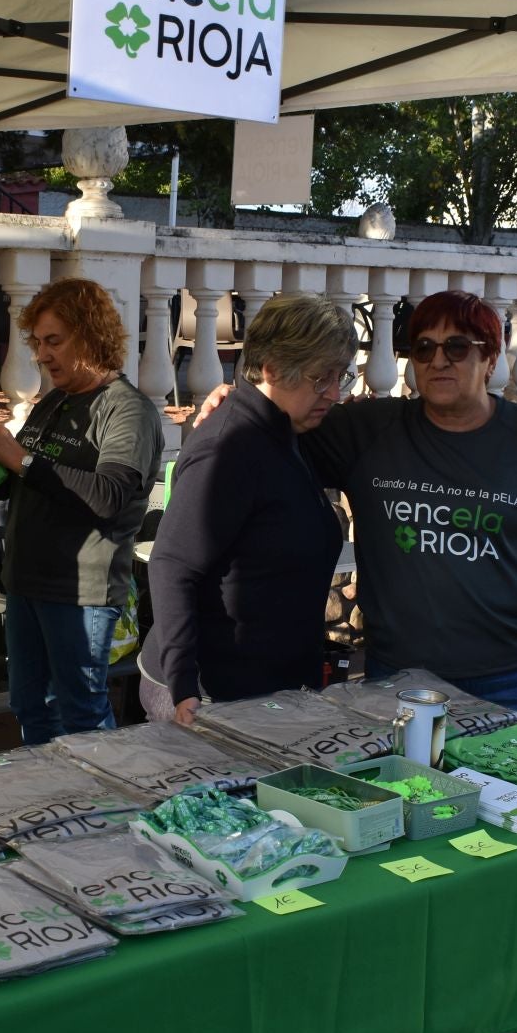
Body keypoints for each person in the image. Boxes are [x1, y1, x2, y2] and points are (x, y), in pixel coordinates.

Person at [198, 291, 517, 731]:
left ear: (490, 360)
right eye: (424, 348)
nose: (438, 360)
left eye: (457, 347)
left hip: (515, 674)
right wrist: (236, 400)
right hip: (397, 678)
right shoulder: (368, 429)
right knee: (410, 799)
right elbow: (276, 419)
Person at [0, 277, 163, 744]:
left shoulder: (128, 410)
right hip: (27, 583)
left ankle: (105, 809)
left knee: (82, 715)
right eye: (38, 343)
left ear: (91, 335)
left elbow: (108, 496)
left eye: (54, 341)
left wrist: (22, 459)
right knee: (31, 707)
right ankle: (53, 805)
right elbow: (12, 491)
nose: (42, 355)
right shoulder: (54, 402)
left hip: (80, 592)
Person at [137, 294, 358, 725]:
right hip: (212, 696)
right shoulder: (230, 447)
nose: (333, 393)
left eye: (340, 376)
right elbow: (172, 565)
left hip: (267, 688)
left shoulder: (286, 429)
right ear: (273, 368)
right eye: (320, 378)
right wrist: (184, 687)